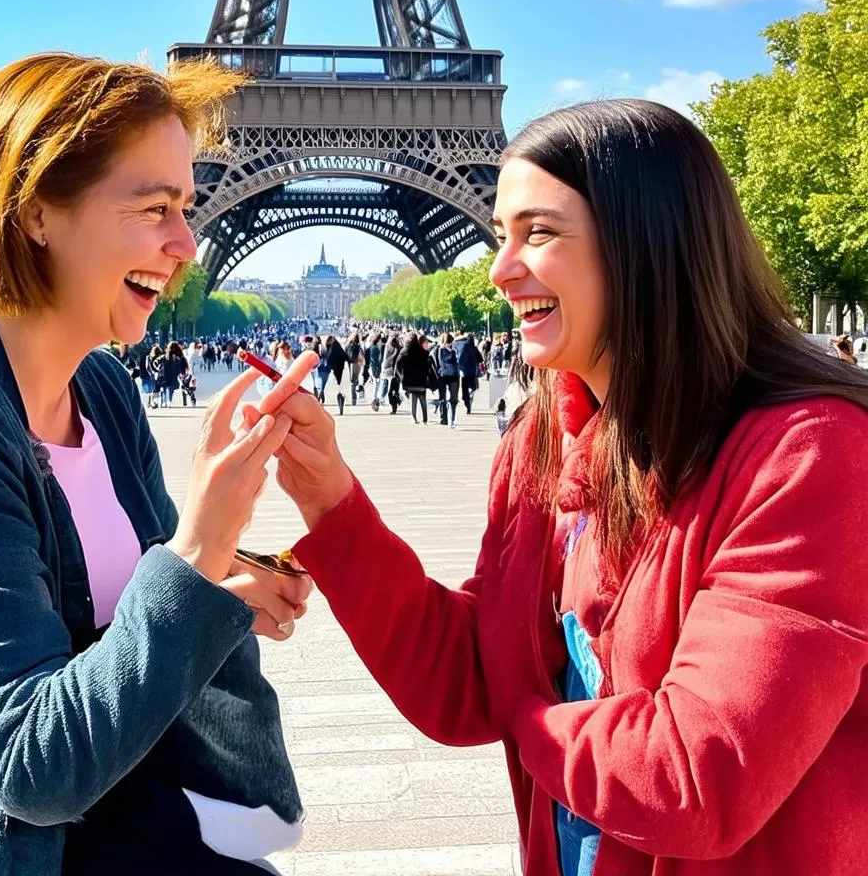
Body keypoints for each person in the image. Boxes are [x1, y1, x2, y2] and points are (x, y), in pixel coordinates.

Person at [249, 99, 868, 876]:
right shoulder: (540, 442)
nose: (501, 269)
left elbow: (696, 778)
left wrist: (525, 714)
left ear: (647, 244)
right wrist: (330, 501)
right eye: (500, 233)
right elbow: (469, 685)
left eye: (536, 233)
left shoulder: (811, 453)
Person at [0, 52, 312, 875]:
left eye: (188, 206)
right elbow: (33, 768)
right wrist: (199, 547)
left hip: (106, 826)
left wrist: (221, 582)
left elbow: (127, 617)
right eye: (154, 207)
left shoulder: (99, 384)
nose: (185, 243)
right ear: (35, 213)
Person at [395, 332, 431, 425]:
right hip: (421, 380)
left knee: (413, 399)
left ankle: (414, 418)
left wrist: (401, 375)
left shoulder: (404, 351)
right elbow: (428, 366)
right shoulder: (423, 352)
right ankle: (425, 419)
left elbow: (398, 365)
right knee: (423, 399)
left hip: (409, 381)